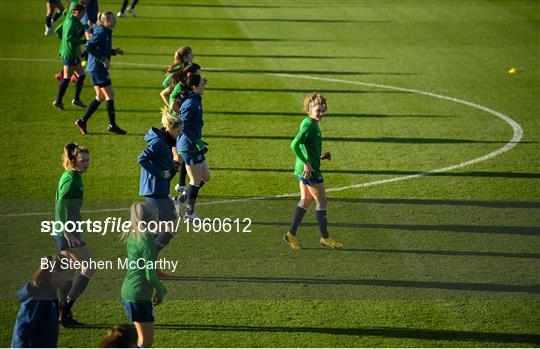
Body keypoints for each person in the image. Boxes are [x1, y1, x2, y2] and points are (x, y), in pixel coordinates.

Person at [283, 93, 344, 251]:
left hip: (303, 169)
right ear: (309, 109)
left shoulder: (310, 123)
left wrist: (320, 156)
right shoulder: (309, 125)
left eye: (323, 110)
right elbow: (294, 144)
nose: (322, 114)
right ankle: (325, 238)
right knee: (322, 203)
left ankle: (291, 235)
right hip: (310, 171)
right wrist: (307, 164)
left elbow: (305, 146)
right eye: (318, 110)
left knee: (305, 200)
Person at [54, 143, 95, 327]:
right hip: (68, 231)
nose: (86, 163)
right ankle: (66, 310)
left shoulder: (72, 175)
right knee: (90, 267)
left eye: (87, 160)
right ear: (73, 161)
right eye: (82, 161)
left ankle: (62, 315)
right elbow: (60, 204)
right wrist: (67, 230)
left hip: (66, 230)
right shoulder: (71, 178)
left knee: (69, 273)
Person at [138, 108, 183, 270]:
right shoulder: (158, 142)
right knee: (171, 225)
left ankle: (147, 262)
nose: (180, 133)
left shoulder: (166, 142)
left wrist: (172, 168)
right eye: (178, 131)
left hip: (159, 189)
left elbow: (161, 164)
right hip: (154, 189)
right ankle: (145, 261)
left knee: (163, 226)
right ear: (170, 127)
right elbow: (142, 159)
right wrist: (160, 173)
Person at [120, 202, 168, 348]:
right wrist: (161, 290)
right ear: (152, 219)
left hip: (127, 292)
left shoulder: (133, 234)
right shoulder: (148, 241)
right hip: (139, 295)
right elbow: (150, 275)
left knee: (138, 340)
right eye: (157, 217)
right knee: (145, 343)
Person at [75, 11, 127, 135]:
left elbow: (102, 47)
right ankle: (112, 125)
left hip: (95, 68)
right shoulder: (101, 31)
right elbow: (89, 47)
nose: (116, 21)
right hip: (97, 68)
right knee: (110, 95)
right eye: (113, 19)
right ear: (106, 21)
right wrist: (103, 59)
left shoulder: (105, 30)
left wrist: (114, 52)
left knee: (101, 97)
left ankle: (82, 121)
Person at [11, 255, 71, 347]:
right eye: (66, 274)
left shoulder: (50, 294)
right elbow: (22, 331)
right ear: (55, 274)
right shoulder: (39, 297)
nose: (68, 278)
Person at [176, 73, 210, 220]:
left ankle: (180, 200)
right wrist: (197, 142)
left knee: (206, 176)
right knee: (195, 180)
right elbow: (183, 125)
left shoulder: (195, 99)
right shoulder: (190, 103)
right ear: (194, 86)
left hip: (194, 144)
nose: (204, 87)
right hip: (189, 146)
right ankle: (190, 213)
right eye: (201, 84)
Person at [53, 4, 88, 111]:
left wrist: (86, 27)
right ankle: (58, 101)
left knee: (81, 75)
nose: (83, 15)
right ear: (76, 12)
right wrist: (83, 41)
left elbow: (58, 31)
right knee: (67, 78)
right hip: (69, 53)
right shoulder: (71, 22)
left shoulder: (73, 21)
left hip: (72, 52)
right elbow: (68, 38)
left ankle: (76, 99)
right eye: (82, 14)